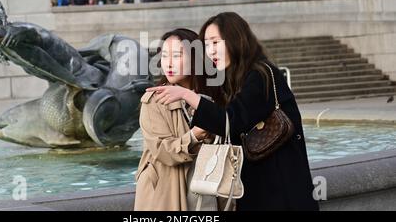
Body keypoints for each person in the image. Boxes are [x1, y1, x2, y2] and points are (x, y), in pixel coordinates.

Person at [147, 12, 320, 211]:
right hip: (262, 182)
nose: (210, 51)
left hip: (280, 184)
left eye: (215, 42)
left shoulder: (260, 74)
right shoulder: (235, 78)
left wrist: (188, 96)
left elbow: (232, 121)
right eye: (206, 44)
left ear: (235, 39)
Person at [134, 29, 214, 211]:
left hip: (207, 189)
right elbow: (162, 150)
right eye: (164, 56)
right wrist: (194, 136)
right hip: (164, 193)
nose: (168, 63)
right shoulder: (154, 100)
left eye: (176, 55)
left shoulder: (212, 98)